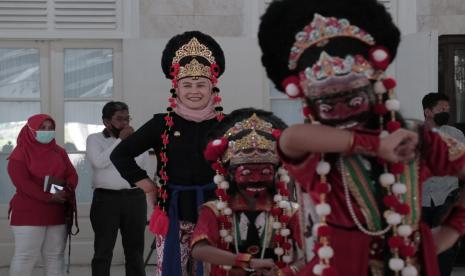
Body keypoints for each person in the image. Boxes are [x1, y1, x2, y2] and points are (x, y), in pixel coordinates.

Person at [258, 0, 465, 275]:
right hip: (341, 265)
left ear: (374, 86)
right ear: (310, 101)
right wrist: (377, 146)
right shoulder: (318, 149)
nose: (341, 108)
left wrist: (453, 228)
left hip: (409, 263)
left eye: (353, 97)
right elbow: (291, 138)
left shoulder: (415, 137)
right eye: (327, 103)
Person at [110, 31, 226, 276]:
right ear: (176, 88)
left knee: (213, 271)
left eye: (200, 85)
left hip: (216, 214)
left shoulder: (227, 124)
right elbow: (120, 155)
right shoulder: (162, 124)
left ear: (211, 87)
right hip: (173, 212)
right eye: (187, 85)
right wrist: (148, 187)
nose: (194, 91)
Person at [191, 108, 305, 276]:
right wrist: (248, 261)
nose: (256, 179)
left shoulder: (290, 211)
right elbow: (199, 249)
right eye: (246, 173)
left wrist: (285, 273)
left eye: (265, 172)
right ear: (230, 174)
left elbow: (315, 252)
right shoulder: (215, 210)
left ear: (276, 173)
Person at [8, 114, 78, 276]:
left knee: (55, 257)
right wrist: (48, 197)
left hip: (56, 211)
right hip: (29, 212)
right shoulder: (20, 153)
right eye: (42, 128)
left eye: (50, 128)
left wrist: (66, 191)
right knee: (25, 257)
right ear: (30, 130)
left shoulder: (59, 151)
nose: (47, 131)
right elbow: (22, 183)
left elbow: (72, 175)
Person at [86, 101, 151, 276]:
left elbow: (142, 167)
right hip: (106, 200)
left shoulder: (137, 140)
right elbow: (99, 162)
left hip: (134, 199)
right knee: (103, 250)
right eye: (119, 119)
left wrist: (130, 142)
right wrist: (121, 141)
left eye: (127, 118)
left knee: (135, 250)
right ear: (106, 122)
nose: (125, 123)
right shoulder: (94, 139)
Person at [421, 92, 465, 276]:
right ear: (428, 112)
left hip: (447, 197)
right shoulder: (417, 135)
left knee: (445, 248)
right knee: (420, 244)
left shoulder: (456, 134)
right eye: (441, 109)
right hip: (420, 199)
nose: (446, 112)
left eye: (447, 109)